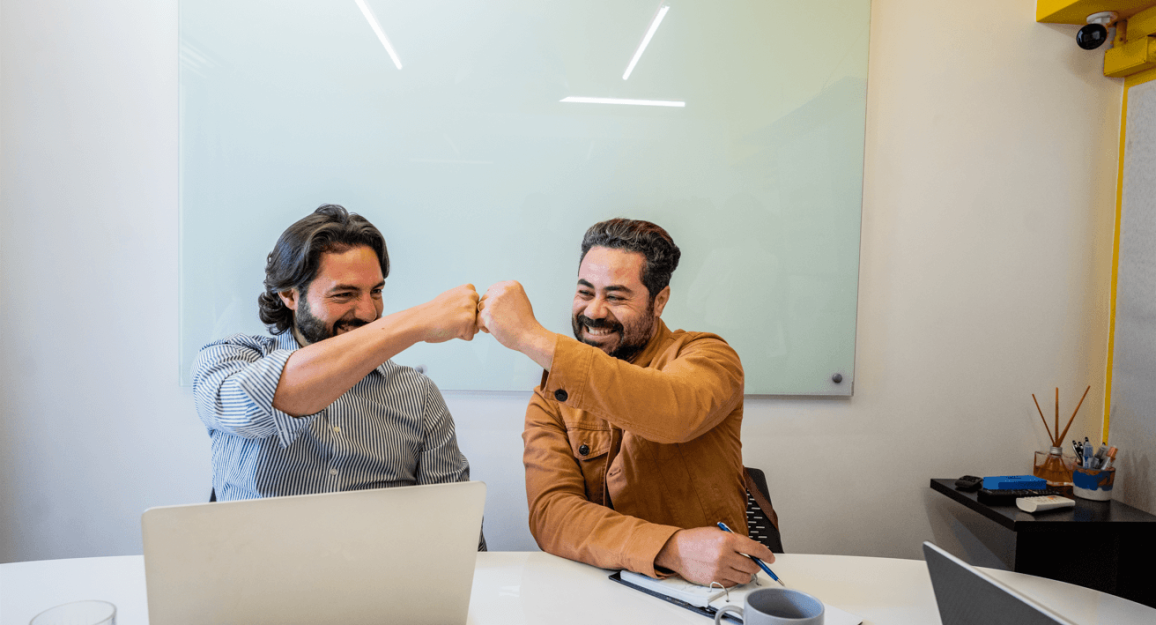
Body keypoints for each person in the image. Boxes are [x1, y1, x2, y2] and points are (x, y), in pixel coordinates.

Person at [476, 218, 776, 585]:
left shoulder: (710, 356)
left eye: (616, 297)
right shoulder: (551, 395)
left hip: (709, 593)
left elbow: (674, 411)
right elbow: (553, 516)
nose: (595, 311)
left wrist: (530, 337)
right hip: (600, 592)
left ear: (660, 300)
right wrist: (670, 548)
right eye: (585, 292)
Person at [192, 205, 482, 541]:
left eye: (376, 291)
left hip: (385, 585)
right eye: (344, 294)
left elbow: (455, 530)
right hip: (259, 584)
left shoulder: (418, 395)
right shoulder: (228, 360)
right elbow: (262, 400)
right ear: (289, 295)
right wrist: (419, 321)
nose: (369, 312)